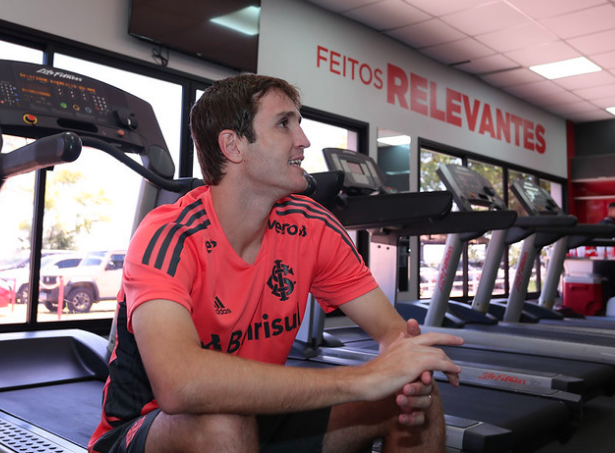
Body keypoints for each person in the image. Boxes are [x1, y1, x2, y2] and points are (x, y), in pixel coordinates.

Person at [89, 74, 463, 453]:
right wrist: (363, 379)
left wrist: (408, 367)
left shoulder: (312, 225)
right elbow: (179, 385)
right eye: (284, 124)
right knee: (223, 422)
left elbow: (393, 334)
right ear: (233, 145)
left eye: (299, 123)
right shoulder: (169, 236)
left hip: (256, 415)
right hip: (149, 427)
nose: (304, 140)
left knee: (413, 404)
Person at [593, 202, 615, 304]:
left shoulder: (606, 224)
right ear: (610, 211)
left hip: (606, 266)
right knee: (611, 297)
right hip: (609, 267)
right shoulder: (607, 226)